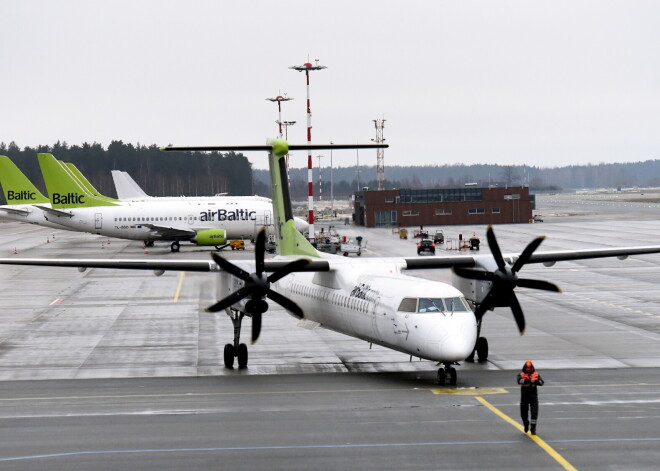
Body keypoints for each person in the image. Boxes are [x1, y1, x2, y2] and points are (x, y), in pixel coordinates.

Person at [517, 360, 544, 435]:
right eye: (527, 368)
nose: (528, 369)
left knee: (534, 413)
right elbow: (519, 381)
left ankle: (533, 428)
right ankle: (526, 423)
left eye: (529, 368)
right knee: (523, 413)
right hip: (524, 397)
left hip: (533, 396)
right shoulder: (521, 374)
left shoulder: (536, 374)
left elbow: (542, 382)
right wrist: (529, 380)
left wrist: (535, 381)